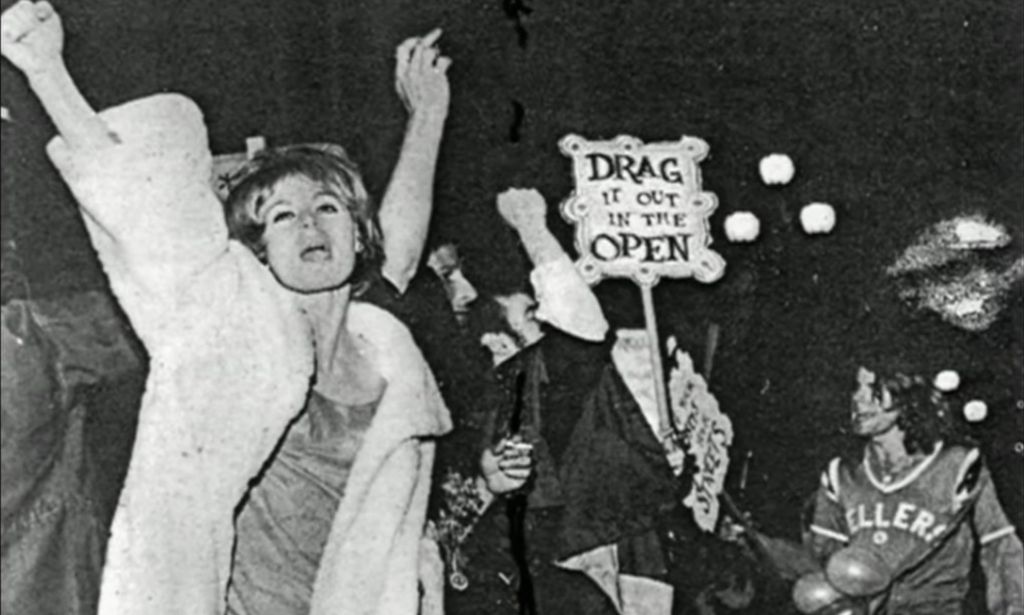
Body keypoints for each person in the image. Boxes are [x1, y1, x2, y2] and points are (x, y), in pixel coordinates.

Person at [0, 3, 529, 613]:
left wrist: (430, 110)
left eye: (328, 207)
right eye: (282, 215)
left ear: (358, 235)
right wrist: (47, 71)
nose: (309, 221)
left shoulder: (386, 353)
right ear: (257, 251)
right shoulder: (234, 324)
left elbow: (400, 258)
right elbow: (146, 210)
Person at [800, 366, 1024, 615]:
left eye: (874, 388)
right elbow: (820, 561)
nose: (859, 398)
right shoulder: (842, 474)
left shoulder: (960, 464)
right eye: (856, 387)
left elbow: (1002, 550)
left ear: (908, 394)